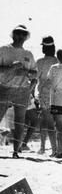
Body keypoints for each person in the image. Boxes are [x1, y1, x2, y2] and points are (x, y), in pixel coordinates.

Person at [0, 25, 37, 158]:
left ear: (26, 36)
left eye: (23, 34)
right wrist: (11, 68)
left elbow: (35, 74)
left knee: (20, 122)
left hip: (22, 91)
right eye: (18, 33)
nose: (21, 36)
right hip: (5, 88)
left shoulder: (28, 54)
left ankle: (16, 151)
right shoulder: (4, 49)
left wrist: (26, 72)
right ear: (13, 34)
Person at [34, 35, 58, 155]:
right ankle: (43, 147)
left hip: (44, 95)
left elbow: (34, 78)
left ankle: (53, 149)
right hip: (55, 96)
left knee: (47, 122)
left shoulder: (40, 62)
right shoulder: (57, 62)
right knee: (45, 121)